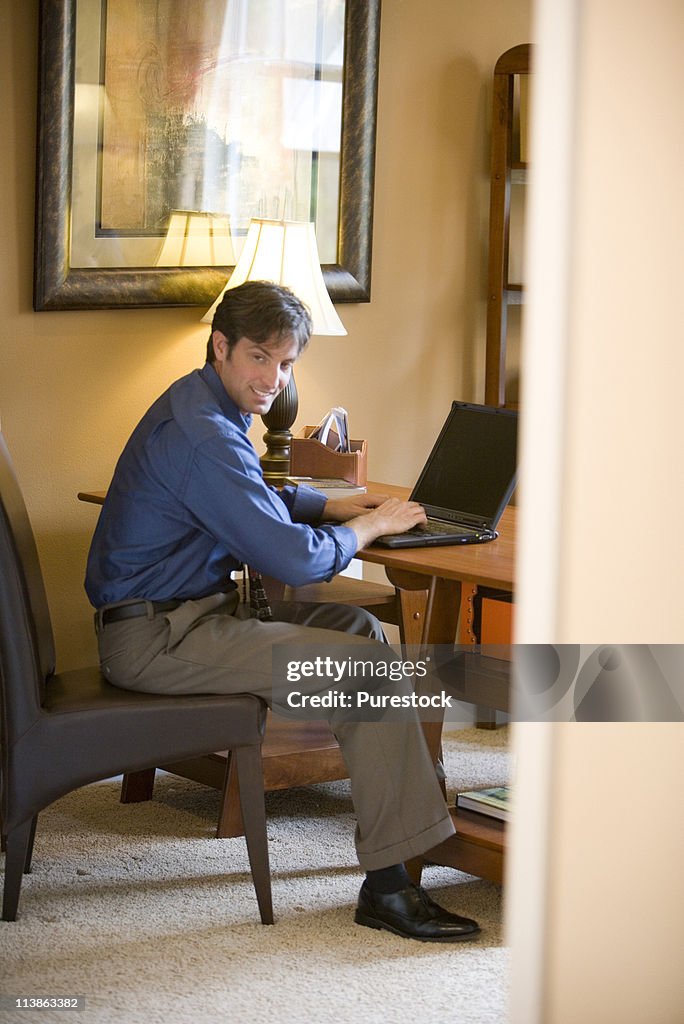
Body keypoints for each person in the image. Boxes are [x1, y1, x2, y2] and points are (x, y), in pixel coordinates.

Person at [85, 280, 480, 943]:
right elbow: (294, 561)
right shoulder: (202, 433)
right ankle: (391, 886)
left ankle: (405, 822)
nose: (273, 378)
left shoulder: (203, 408)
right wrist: (372, 526)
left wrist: (333, 506)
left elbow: (251, 499)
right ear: (222, 347)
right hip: (158, 638)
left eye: (288, 363)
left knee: (354, 630)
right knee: (365, 674)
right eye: (260, 358)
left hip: (185, 619)